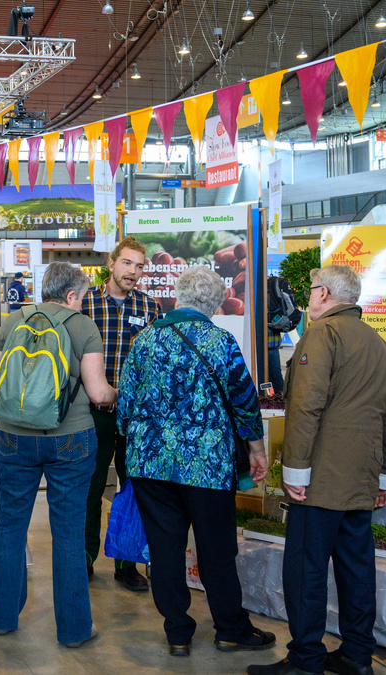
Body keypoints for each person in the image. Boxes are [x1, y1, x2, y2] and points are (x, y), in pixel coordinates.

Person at [249, 266, 386, 675]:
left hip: (319, 481)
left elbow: (305, 406)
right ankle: (356, 655)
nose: (308, 298)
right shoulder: (377, 342)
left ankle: (305, 660)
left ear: (325, 293)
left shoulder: (322, 335)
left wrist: (294, 472)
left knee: (306, 569)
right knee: (357, 567)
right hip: (362, 479)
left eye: (313, 290)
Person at [117, 266, 273, 658]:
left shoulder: (144, 340)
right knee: (216, 548)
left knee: (165, 549)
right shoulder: (221, 341)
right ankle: (230, 629)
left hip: (151, 465)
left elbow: (124, 409)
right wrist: (257, 450)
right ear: (217, 304)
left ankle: (178, 633)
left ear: (178, 297)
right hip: (206, 465)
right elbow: (244, 401)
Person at [0, 262, 115, 648]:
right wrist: (116, 394)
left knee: (9, 524)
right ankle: (74, 629)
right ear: (72, 295)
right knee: (69, 532)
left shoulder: (12, 321)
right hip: (69, 439)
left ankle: (4, 618)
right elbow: (97, 393)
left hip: (12, 437)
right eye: (85, 296)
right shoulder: (82, 326)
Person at [80, 235, 160, 591]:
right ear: (111, 264)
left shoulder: (150, 308)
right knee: (90, 487)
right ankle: (83, 558)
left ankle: (128, 563)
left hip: (135, 418)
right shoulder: (85, 304)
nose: (133, 271)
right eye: (127, 263)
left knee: (133, 488)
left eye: (140, 266)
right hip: (91, 412)